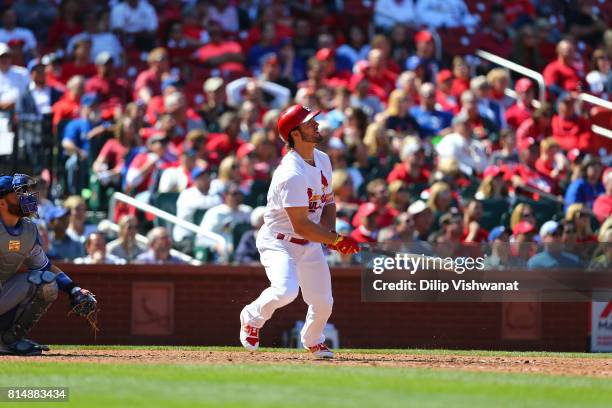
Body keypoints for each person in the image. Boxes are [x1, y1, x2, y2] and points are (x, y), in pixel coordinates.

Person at [239, 105, 360, 359]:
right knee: (285, 291)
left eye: (314, 120)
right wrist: (335, 240)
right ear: (295, 134)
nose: (316, 124)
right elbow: (301, 225)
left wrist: (330, 234)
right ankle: (251, 317)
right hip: (279, 241)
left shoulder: (323, 159)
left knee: (323, 301)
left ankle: (313, 339)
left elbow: (328, 202)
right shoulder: (290, 173)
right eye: (309, 123)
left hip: (310, 242)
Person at [0, 174, 96, 355]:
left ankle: (9, 340)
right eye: (19, 193)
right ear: (2, 203)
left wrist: (73, 289)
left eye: (26, 192)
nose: (27, 197)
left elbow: (44, 267)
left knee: (46, 282)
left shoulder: (28, 228)